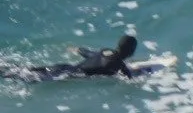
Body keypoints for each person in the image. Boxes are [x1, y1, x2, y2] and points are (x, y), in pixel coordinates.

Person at [6, 33, 147, 81]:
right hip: (67, 75)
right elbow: (130, 79)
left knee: (24, 71)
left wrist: (76, 49)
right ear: (131, 52)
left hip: (65, 67)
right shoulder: (119, 65)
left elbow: (88, 53)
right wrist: (143, 72)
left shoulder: (106, 51)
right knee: (25, 77)